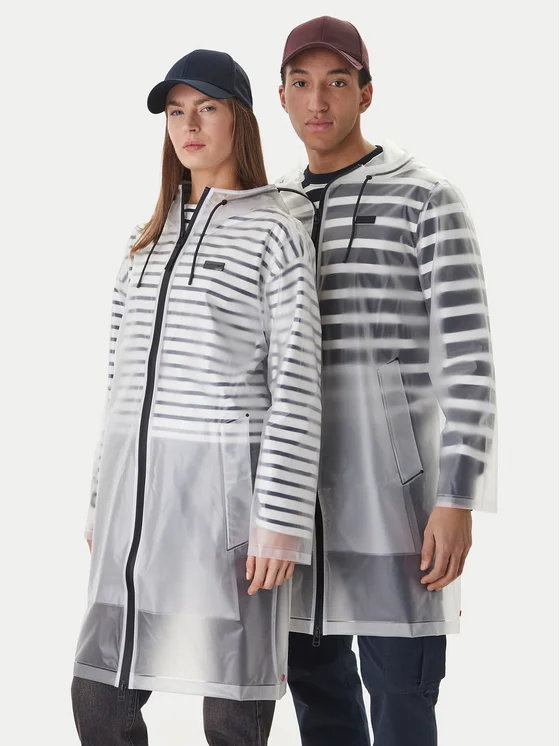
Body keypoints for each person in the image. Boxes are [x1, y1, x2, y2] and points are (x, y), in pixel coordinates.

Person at [70, 48, 322, 746]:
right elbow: (118, 384)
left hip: (229, 509)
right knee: (99, 697)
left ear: (238, 119)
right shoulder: (143, 243)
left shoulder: (277, 232)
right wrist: (101, 497)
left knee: (233, 710)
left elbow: (298, 382)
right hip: (138, 505)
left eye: (206, 108)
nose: (189, 125)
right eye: (177, 112)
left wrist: (280, 518)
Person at [275, 16, 497, 746]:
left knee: (403, 701)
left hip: (395, 508)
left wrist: (457, 498)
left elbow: (468, 360)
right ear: (282, 96)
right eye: (303, 83)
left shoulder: (426, 198)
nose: (319, 101)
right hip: (295, 511)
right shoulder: (271, 210)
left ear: (366, 93)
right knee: (319, 702)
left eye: (337, 82)